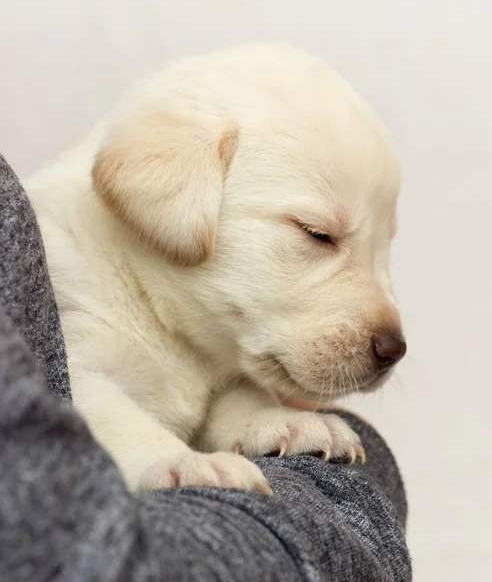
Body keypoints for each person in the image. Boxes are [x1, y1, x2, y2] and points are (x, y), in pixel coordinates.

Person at [0, 153, 412, 582]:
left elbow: (208, 381)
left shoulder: (193, 310)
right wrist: (160, 458)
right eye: (317, 233)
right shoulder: (67, 258)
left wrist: (249, 416)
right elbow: (68, 388)